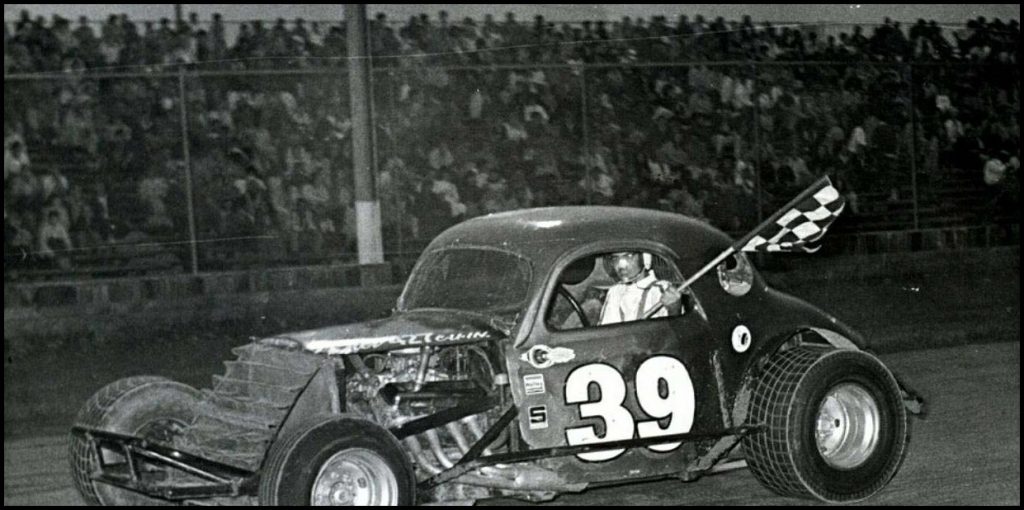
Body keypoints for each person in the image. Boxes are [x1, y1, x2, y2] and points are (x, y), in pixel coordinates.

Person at [598, 252, 683, 325]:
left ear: (645, 258)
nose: (621, 265)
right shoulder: (615, 291)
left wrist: (674, 308)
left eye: (629, 255)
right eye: (615, 258)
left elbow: (674, 329)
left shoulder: (662, 289)